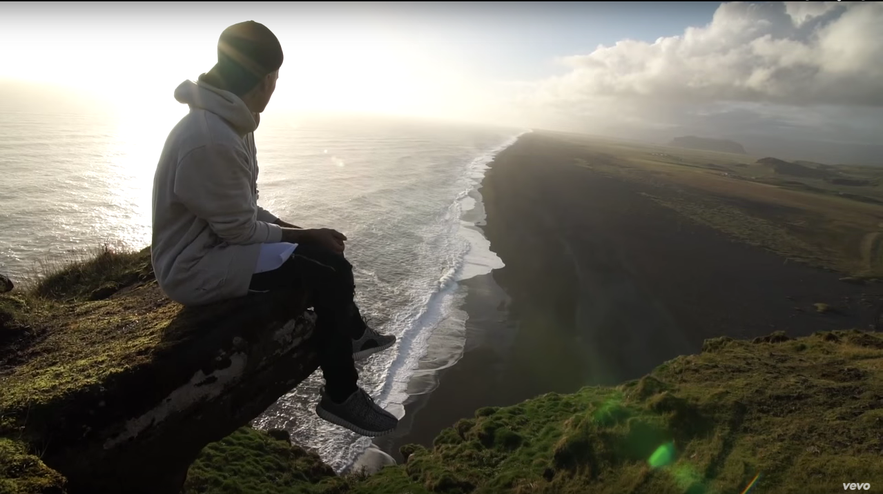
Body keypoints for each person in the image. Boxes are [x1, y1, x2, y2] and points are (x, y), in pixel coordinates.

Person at [150, 20, 399, 437]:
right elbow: (240, 232)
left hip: (214, 247)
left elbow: (243, 211)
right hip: (194, 267)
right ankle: (341, 395)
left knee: (327, 259)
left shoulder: (229, 122)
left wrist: (302, 230)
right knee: (328, 270)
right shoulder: (212, 136)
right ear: (266, 79)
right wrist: (306, 236)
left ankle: (352, 333)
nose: (276, 87)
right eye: (276, 79)